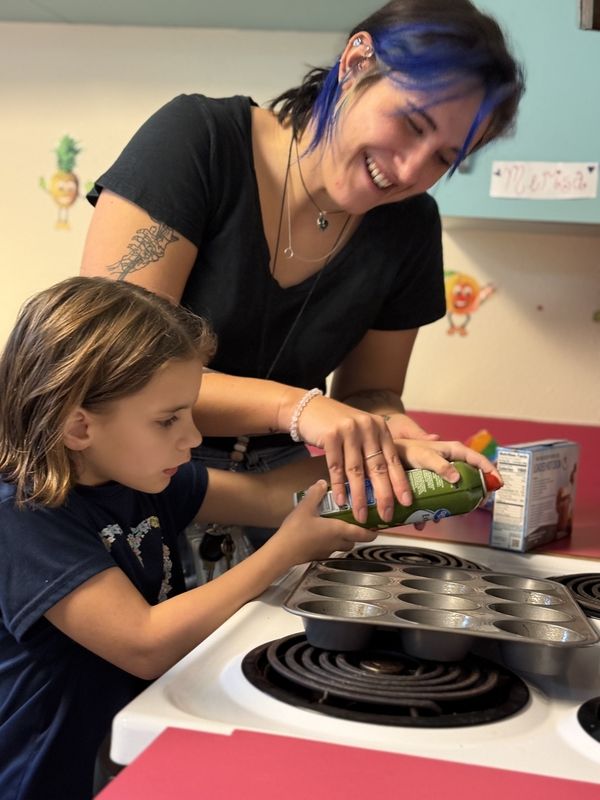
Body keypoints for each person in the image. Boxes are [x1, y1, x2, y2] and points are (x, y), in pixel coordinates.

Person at [0, 276, 499, 799]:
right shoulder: (23, 514)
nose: (192, 438)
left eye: (189, 412)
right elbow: (143, 643)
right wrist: (284, 551)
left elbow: (264, 495)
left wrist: (390, 463)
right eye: (168, 419)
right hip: (46, 777)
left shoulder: (134, 476)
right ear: (79, 427)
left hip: (118, 756)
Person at [80, 0, 524, 551]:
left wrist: (388, 428)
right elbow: (111, 371)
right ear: (358, 60)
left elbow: (370, 390)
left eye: (442, 158)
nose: (410, 170)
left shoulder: (409, 225)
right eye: (412, 124)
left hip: (286, 498)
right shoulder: (198, 141)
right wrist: (303, 409)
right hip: (133, 486)